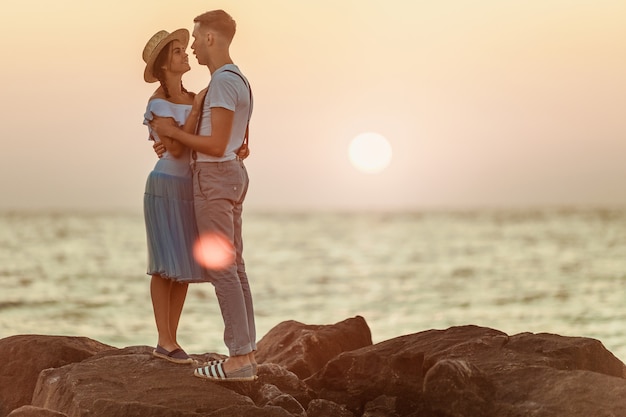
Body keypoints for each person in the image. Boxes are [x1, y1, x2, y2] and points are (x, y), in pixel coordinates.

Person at [150, 10, 256, 382]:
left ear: (211, 38)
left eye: (195, 39)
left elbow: (214, 144)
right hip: (228, 176)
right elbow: (235, 139)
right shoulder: (236, 79)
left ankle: (239, 360)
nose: (193, 46)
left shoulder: (223, 83)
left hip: (214, 178)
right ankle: (246, 352)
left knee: (221, 268)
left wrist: (175, 136)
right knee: (235, 267)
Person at [140, 28, 206, 365]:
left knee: (183, 266)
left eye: (183, 49)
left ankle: (172, 339)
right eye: (178, 51)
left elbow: (205, 141)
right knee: (164, 265)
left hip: (189, 188)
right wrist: (194, 115)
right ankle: (163, 340)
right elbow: (178, 148)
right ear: (165, 64)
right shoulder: (158, 103)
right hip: (164, 186)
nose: (185, 54)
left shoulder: (194, 97)